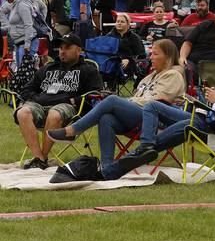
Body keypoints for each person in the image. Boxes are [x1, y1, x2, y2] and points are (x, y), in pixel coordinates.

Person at [46, 39, 185, 180]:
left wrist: (125, 102)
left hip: (156, 122)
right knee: (106, 118)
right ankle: (107, 169)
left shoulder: (174, 75)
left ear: (167, 57)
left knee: (112, 101)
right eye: (151, 53)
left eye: (155, 54)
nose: (151, 57)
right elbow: (138, 99)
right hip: (138, 119)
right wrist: (127, 102)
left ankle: (73, 131)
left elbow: (156, 101)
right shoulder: (148, 78)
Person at [117, 41, 215, 170]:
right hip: (206, 118)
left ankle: (138, 154)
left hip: (212, 127)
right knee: (153, 106)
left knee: (160, 112)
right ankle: (143, 149)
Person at [14, 34, 103, 169]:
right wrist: (35, 98)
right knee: (22, 112)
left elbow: (95, 94)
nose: (62, 51)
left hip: (66, 107)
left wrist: (75, 100)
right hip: (39, 105)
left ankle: (41, 158)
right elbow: (27, 89)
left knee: (54, 113)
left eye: (67, 47)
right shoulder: (48, 68)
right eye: (60, 48)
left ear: (78, 50)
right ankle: (40, 159)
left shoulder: (88, 70)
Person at [107, 13, 145, 82]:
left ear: (128, 24)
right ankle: (111, 89)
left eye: (122, 22)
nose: (119, 23)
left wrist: (129, 60)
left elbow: (140, 54)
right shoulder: (109, 36)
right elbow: (105, 52)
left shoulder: (134, 37)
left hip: (129, 63)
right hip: (111, 63)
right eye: (118, 21)